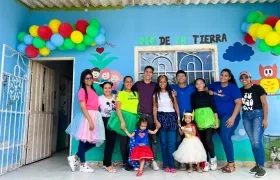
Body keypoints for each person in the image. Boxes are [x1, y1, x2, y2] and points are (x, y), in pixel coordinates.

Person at [66, 69, 105, 173]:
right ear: (83, 80)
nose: (89, 80)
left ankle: (74, 157)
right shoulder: (82, 91)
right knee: (83, 141)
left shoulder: (93, 90)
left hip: (95, 115)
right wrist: (90, 121)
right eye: (87, 78)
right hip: (87, 116)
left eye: (91, 78)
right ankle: (83, 165)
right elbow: (83, 107)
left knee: (93, 141)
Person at [208, 68, 242, 173]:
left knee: (225, 136)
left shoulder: (233, 88)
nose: (223, 77)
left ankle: (231, 164)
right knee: (224, 137)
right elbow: (204, 88)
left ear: (229, 77)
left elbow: (238, 103)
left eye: (226, 75)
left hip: (231, 115)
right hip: (218, 117)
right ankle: (229, 162)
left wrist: (232, 118)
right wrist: (208, 91)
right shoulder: (215, 85)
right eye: (222, 75)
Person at [239, 71, 268, 178]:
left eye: (246, 77)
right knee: (253, 142)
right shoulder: (240, 91)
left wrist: (265, 119)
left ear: (250, 77)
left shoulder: (258, 88)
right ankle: (257, 165)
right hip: (246, 116)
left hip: (258, 115)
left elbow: (264, 104)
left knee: (257, 141)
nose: (243, 79)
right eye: (241, 78)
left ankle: (261, 167)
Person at [107, 76, 139, 171]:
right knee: (123, 142)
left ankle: (131, 161)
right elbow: (117, 109)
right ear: (124, 83)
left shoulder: (136, 93)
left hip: (133, 119)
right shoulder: (121, 93)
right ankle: (125, 163)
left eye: (130, 82)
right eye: (127, 82)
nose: (129, 83)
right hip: (124, 119)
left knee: (132, 142)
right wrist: (122, 121)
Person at [133, 65, 159, 170]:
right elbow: (128, 90)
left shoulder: (155, 85)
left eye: (150, 72)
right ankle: (138, 161)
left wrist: (173, 92)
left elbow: (164, 90)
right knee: (139, 138)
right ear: (144, 73)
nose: (148, 73)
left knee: (153, 139)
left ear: (152, 74)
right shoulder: (138, 84)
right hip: (141, 115)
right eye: (146, 71)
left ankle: (153, 161)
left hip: (152, 116)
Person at [153, 75, 180, 173]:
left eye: (164, 82)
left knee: (171, 143)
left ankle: (172, 165)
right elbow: (155, 108)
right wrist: (156, 120)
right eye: (160, 82)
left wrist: (178, 118)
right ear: (158, 83)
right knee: (163, 143)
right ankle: (165, 164)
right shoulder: (156, 94)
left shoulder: (171, 93)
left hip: (172, 117)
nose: (162, 83)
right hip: (161, 117)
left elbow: (176, 106)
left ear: (167, 82)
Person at [191, 78, 219, 171]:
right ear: (195, 86)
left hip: (209, 118)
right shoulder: (193, 96)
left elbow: (214, 108)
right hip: (199, 119)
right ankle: (205, 161)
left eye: (201, 83)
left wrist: (216, 121)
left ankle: (213, 159)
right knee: (202, 141)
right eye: (197, 84)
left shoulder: (209, 95)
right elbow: (193, 109)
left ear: (204, 84)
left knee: (208, 139)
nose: (199, 85)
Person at [171, 70, 196, 169]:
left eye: (182, 76)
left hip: (189, 118)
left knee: (190, 140)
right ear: (176, 78)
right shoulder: (173, 88)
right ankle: (180, 161)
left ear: (185, 77)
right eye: (178, 76)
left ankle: (191, 162)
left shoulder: (192, 88)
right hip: (177, 117)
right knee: (178, 139)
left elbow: (201, 90)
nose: (181, 78)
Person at [99, 82, 117, 173]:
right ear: (102, 89)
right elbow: (95, 110)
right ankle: (108, 164)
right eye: (105, 88)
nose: (107, 90)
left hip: (114, 121)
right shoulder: (99, 98)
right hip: (105, 120)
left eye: (109, 88)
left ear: (111, 88)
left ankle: (105, 163)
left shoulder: (115, 96)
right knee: (110, 142)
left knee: (111, 142)